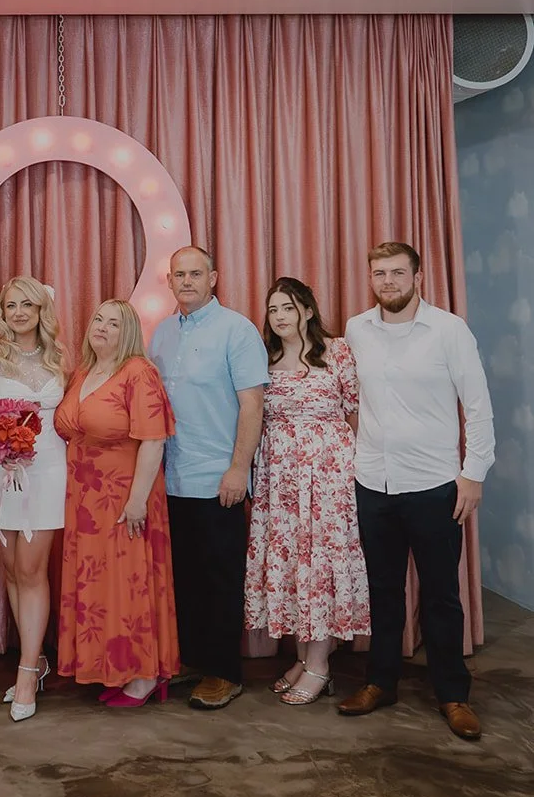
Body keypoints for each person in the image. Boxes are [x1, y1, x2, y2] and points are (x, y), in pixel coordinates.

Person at [338, 242, 494, 742]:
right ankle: (380, 683)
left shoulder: (449, 330)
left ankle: (453, 694)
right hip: (372, 483)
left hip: (434, 485)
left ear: (417, 277)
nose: (388, 282)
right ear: (370, 278)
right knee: (382, 591)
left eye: (397, 273)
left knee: (441, 594)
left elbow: (478, 406)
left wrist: (473, 474)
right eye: (379, 273)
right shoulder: (356, 330)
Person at [149, 246, 268, 709]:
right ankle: (195, 661)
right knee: (184, 578)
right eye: (179, 274)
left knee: (220, 579)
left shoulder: (237, 330)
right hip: (170, 479)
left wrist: (239, 468)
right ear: (169, 280)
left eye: (195, 273)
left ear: (213, 278)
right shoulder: (161, 334)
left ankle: (224, 673)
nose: (187, 281)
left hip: (218, 479)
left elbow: (252, 405)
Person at [243, 278, 370, 704]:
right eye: (273, 309)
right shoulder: (265, 358)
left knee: (319, 564)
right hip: (279, 478)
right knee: (293, 564)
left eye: (289, 307)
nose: (280, 316)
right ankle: (302, 657)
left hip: (327, 477)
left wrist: (354, 470)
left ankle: (320, 665)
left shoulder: (337, 352)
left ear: (309, 311)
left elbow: (355, 414)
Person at [54, 299, 178, 702]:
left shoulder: (138, 372)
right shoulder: (83, 372)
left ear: (128, 333)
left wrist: (138, 500)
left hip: (124, 495)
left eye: (114, 323)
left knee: (128, 582)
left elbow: (153, 440)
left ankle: (145, 675)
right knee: (100, 585)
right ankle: (113, 669)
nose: (102, 327)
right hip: (85, 500)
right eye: (98, 319)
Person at [0, 276, 68, 722]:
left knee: (31, 569)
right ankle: (36, 659)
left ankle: (27, 674)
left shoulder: (61, 357)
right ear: (2, 312)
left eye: (28, 304)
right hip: (0, 470)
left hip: (46, 472)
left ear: (41, 310)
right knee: (10, 568)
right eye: (12, 305)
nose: (20, 312)